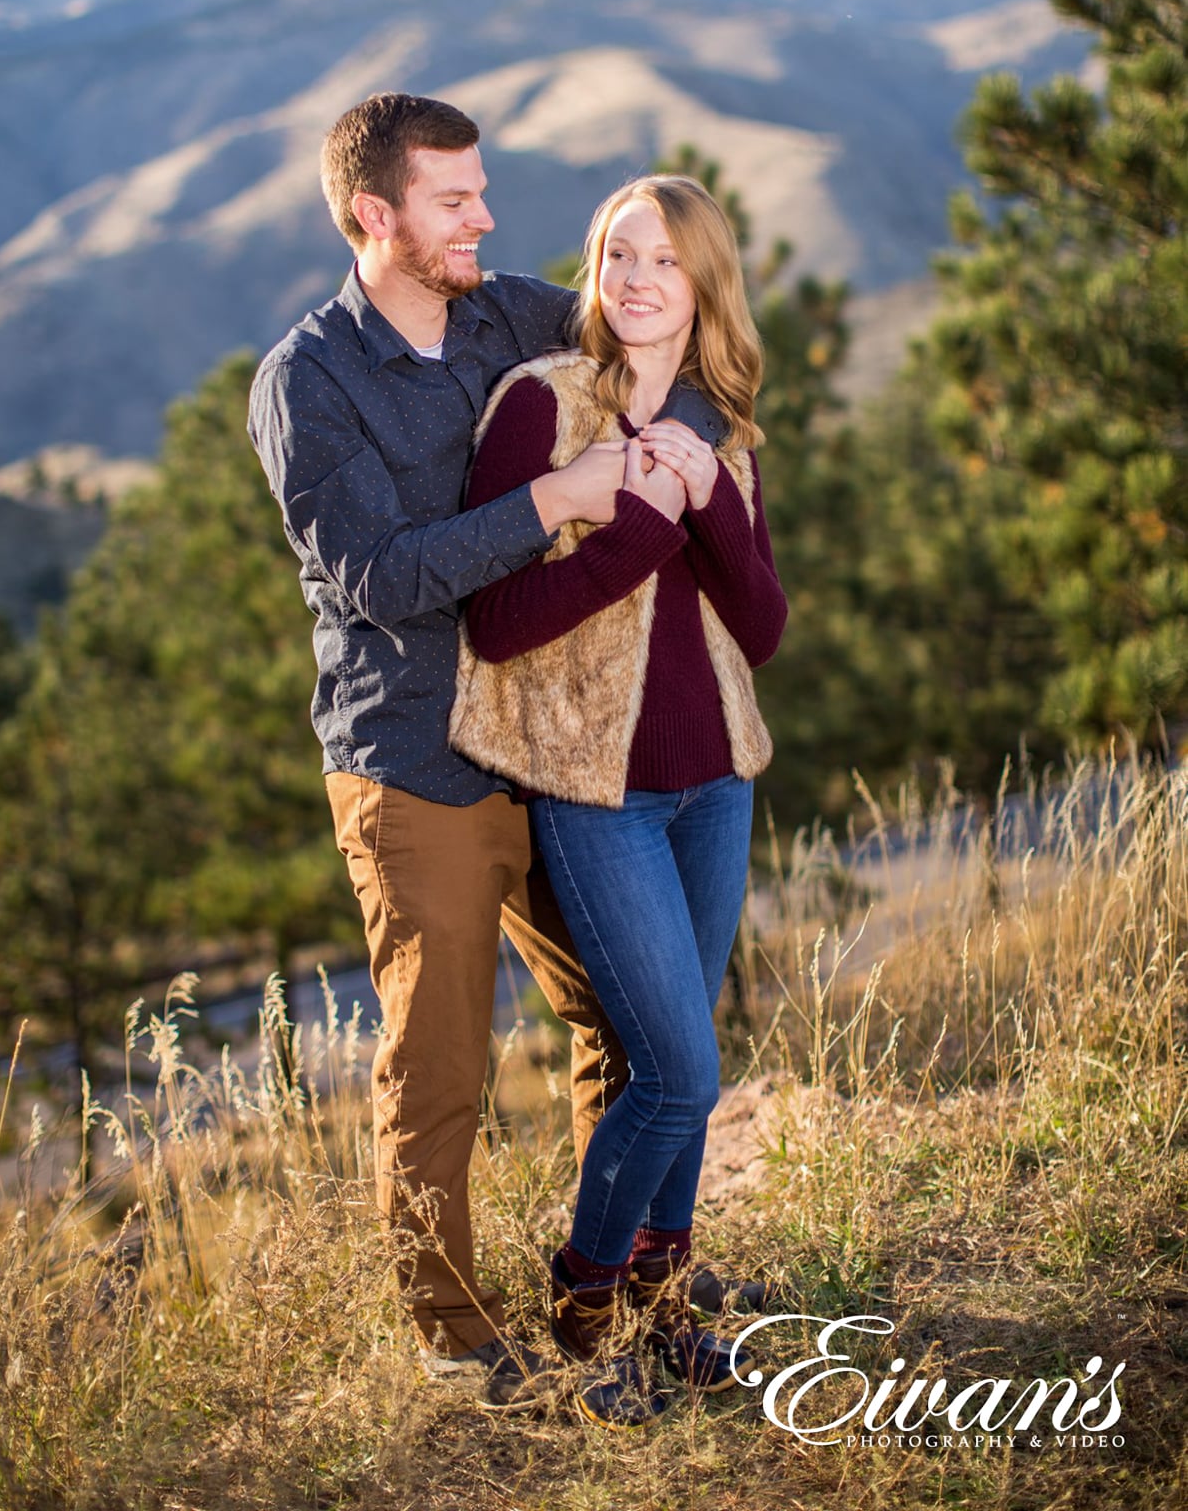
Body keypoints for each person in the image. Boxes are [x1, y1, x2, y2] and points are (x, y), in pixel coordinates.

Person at [248, 91, 636, 1411]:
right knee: (441, 1067)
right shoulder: (307, 381)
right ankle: (460, 1343)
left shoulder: (507, 314)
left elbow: (628, 330)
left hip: (546, 742)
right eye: (454, 200)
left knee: (633, 1017)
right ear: (375, 216)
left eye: (483, 193)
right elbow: (376, 577)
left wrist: (664, 262)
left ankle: (617, 1282)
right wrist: (552, 505)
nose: (485, 217)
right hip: (416, 766)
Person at [452, 174, 788, 1427]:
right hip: (599, 794)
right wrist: (639, 522)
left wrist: (702, 497)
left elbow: (759, 624)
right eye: (616, 254)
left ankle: (666, 1302)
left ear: (703, 284)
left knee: (682, 1053)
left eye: (664, 261)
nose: (636, 279)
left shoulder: (728, 429)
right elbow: (495, 621)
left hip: (716, 786)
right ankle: (583, 1307)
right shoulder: (537, 408)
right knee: (678, 1071)